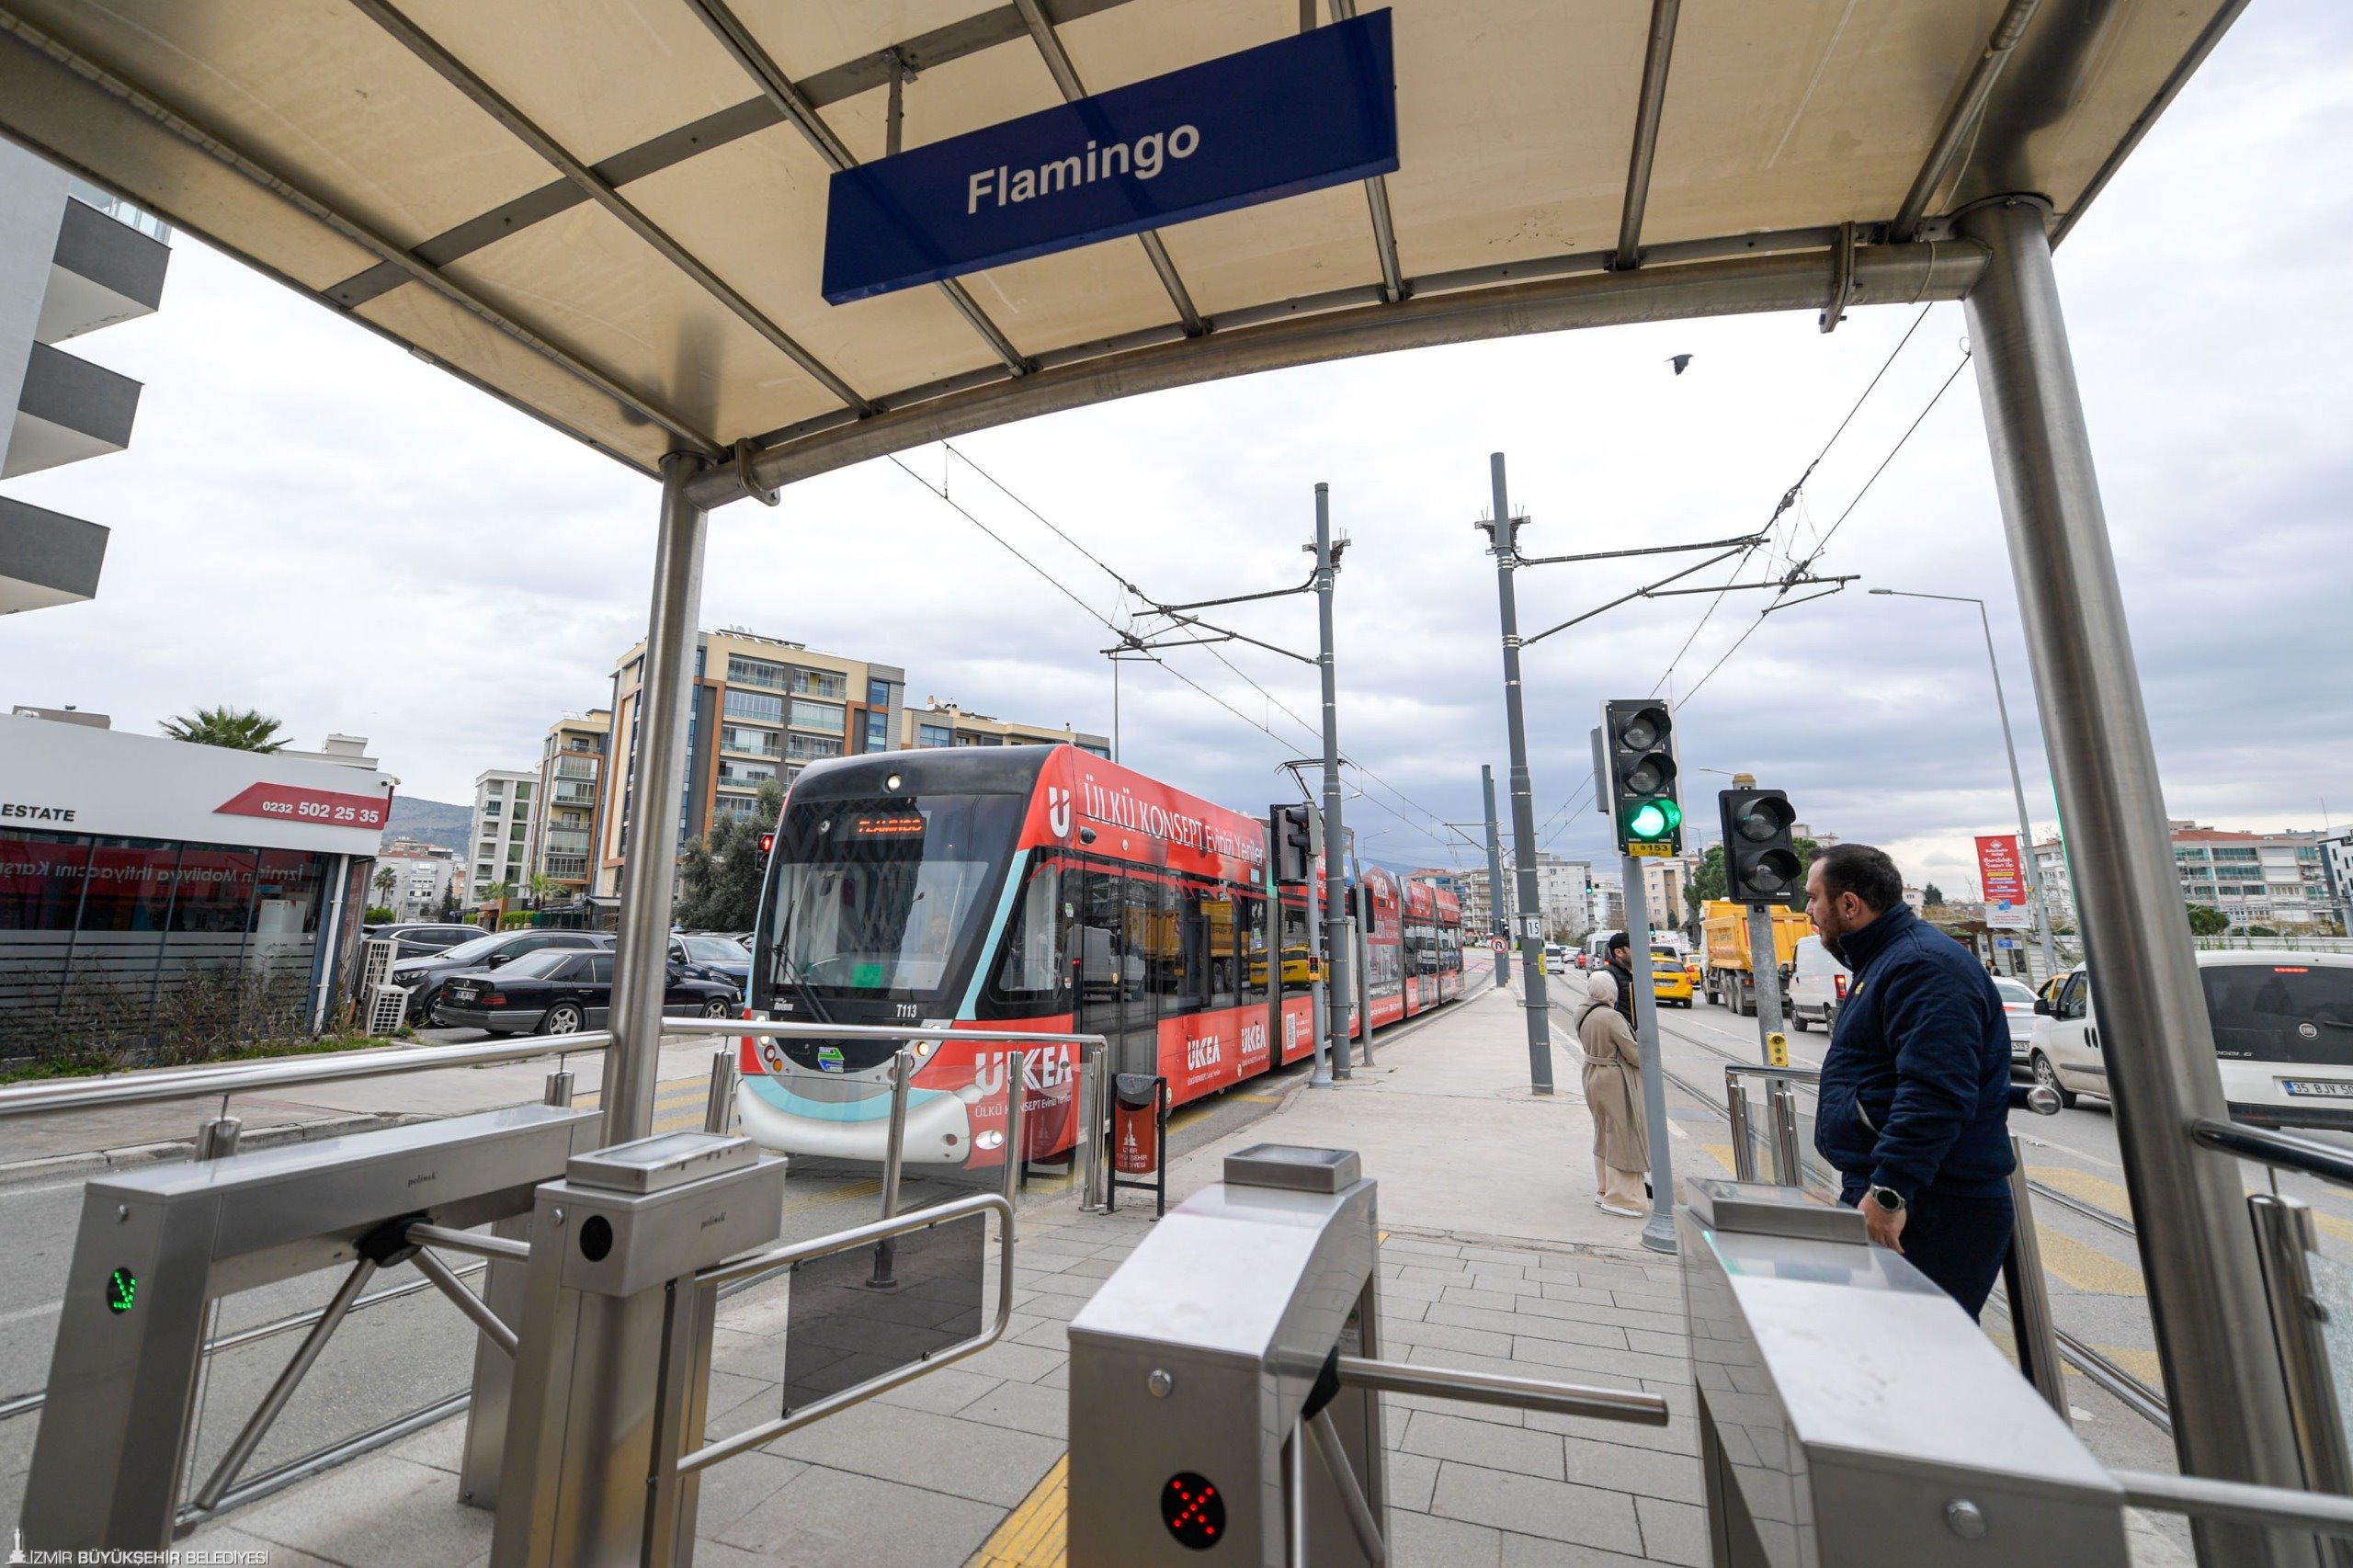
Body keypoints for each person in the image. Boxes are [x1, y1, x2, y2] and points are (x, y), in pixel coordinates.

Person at [1808, 844, 2017, 1318]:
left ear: (1849, 904)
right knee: (1883, 1353)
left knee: (1917, 1358)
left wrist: (1889, 1191)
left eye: (1814, 898)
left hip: (1930, 1202)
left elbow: (1935, 1091)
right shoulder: (1886, 960)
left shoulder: (1922, 966)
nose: (1809, 913)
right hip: (1902, 1190)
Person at [1575, 971, 1649, 1216]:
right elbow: (1634, 1055)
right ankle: (1622, 1198)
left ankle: (1603, 1189)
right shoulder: (1611, 1017)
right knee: (1623, 1135)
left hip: (1591, 1074)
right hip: (1614, 1080)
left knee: (1604, 1133)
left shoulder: (1582, 1011)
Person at [1603, 931, 1635, 1022]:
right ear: (1618, 952)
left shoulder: (1637, 974)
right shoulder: (1607, 975)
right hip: (1620, 1033)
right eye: (1633, 947)